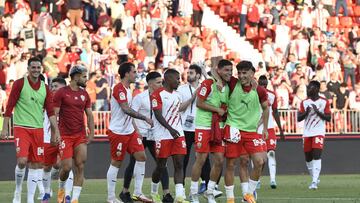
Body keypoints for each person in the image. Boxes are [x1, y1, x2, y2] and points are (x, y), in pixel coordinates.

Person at [0, 57, 60, 203]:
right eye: (33, 67)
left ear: (41, 69)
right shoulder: (20, 84)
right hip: (21, 128)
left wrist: (56, 131)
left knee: (36, 165)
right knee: (22, 161)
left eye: (38, 67)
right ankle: (18, 190)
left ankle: (30, 199)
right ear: (28, 69)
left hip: (38, 129)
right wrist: (5, 128)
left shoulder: (45, 88)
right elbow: (9, 106)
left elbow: (50, 112)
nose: (36, 70)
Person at [105, 62, 153, 203]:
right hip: (118, 132)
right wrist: (144, 118)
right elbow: (126, 109)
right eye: (133, 72)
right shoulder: (119, 88)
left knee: (141, 157)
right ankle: (111, 197)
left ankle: (138, 192)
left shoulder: (128, 90)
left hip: (130, 131)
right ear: (126, 73)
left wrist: (136, 130)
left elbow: (128, 114)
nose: (136, 74)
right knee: (116, 163)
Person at [224, 61, 269, 203]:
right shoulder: (232, 83)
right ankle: (230, 198)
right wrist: (219, 81)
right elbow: (215, 68)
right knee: (231, 164)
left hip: (251, 131)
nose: (242, 76)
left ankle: (248, 194)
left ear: (252, 73)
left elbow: (266, 109)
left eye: (245, 73)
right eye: (240, 73)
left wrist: (265, 128)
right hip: (233, 128)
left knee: (260, 161)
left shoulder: (260, 91)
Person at [189, 59, 233, 203]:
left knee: (220, 160)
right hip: (204, 126)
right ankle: (193, 193)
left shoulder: (226, 87)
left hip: (218, 127)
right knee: (200, 159)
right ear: (218, 70)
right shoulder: (208, 83)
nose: (229, 73)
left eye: (231, 70)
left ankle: (210, 191)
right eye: (226, 70)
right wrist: (217, 109)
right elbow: (199, 102)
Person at [121, 71, 168, 203]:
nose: (161, 84)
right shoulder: (140, 98)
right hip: (141, 134)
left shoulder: (163, 97)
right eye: (158, 82)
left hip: (155, 135)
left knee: (161, 163)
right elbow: (131, 115)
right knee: (133, 163)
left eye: (161, 82)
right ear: (150, 83)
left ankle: (166, 193)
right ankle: (125, 191)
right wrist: (137, 132)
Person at [54, 65, 95, 203]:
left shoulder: (85, 94)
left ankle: (75, 199)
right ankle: (61, 189)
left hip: (80, 135)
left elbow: (89, 115)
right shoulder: (61, 93)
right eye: (84, 76)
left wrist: (91, 132)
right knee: (66, 167)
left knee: (80, 166)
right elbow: (54, 114)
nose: (86, 79)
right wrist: (56, 133)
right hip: (65, 135)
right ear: (76, 76)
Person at [150, 69, 188, 203]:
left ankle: (179, 196)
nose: (179, 81)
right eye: (177, 79)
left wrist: (175, 129)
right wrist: (170, 129)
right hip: (162, 135)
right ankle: (154, 192)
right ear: (168, 79)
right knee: (161, 165)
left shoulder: (178, 95)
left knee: (179, 164)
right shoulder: (157, 94)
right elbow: (157, 114)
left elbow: (178, 112)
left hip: (178, 134)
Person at [178, 64, 212, 194]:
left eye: (191, 73)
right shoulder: (181, 89)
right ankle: (180, 188)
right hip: (185, 129)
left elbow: (215, 85)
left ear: (198, 75)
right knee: (183, 159)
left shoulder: (205, 87)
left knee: (204, 158)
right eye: (188, 72)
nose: (188, 75)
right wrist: (193, 97)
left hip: (200, 127)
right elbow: (180, 108)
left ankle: (208, 186)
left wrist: (204, 72)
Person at [41, 77, 74, 203]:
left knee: (67, 166)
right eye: (52, 86)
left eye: (56, 86)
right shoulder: (47, 99)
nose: (53, 88)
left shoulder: (70, 100)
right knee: (47, 167)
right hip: (47, 138)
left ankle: (67, 195)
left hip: (64, 138)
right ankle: (47, 193)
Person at [297, 80, 331, 190]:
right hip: (307, 133)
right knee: (308, 157)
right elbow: (299, 118)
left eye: (309, 88)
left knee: (317, 155)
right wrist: (306, 113)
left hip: (319, 132)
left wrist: (318, 112)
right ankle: (314, 178)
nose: (307, 90)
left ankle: (314, 182)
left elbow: (328, 118)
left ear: (316, 89)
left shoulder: (324, 101)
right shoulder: (304, 102)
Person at [257, 75, 285, 189]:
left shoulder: (272, 95)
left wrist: (281, 130)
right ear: (258, 83)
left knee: (271, 153)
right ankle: (257, 179)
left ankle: (273, 180)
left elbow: (275, 112)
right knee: (259, 157)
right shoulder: (253, 94)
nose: (263, 86)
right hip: (257, 129)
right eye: (261, 84)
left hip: (269, 128)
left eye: (265, 84)